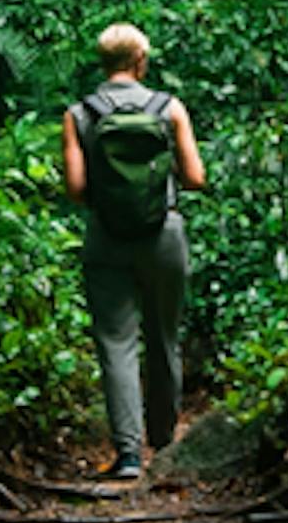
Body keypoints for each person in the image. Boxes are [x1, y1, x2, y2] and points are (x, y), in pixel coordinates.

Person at [61, 24, 207, 478]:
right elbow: (195, 178)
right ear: (141, 61)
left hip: (107, 237)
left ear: (103, 63)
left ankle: (127, 455)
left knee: (116, 342)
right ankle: (163, 444)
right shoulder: (168, 108)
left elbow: (77, 187)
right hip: (163, 234)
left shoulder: (79, 113)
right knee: (163, 337)